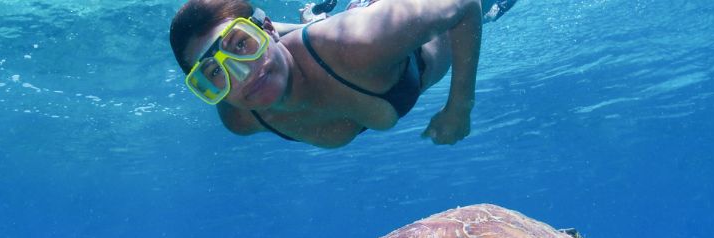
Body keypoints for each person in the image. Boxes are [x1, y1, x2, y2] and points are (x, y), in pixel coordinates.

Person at [169, 0, 516, 148]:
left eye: (241, 44)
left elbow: (464, 5)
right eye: (213, 72)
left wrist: (459, 106)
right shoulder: (239, 116)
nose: (242, 75)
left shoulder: (357, 43)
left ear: (269, 29)